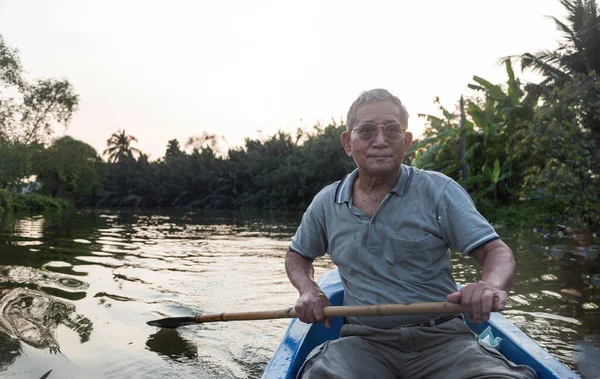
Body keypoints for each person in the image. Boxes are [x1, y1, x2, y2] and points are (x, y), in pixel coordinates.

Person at [285, 89, 537, 379]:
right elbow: (297, 255)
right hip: (364, 343)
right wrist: (308, 289)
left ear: (406, 142)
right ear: (347, 143)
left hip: (444, 340)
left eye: (391, 130)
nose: (380, 141)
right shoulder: (326, 203)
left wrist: (490, 285)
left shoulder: (439, 191)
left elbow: (497, 252)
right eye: (366, 131)